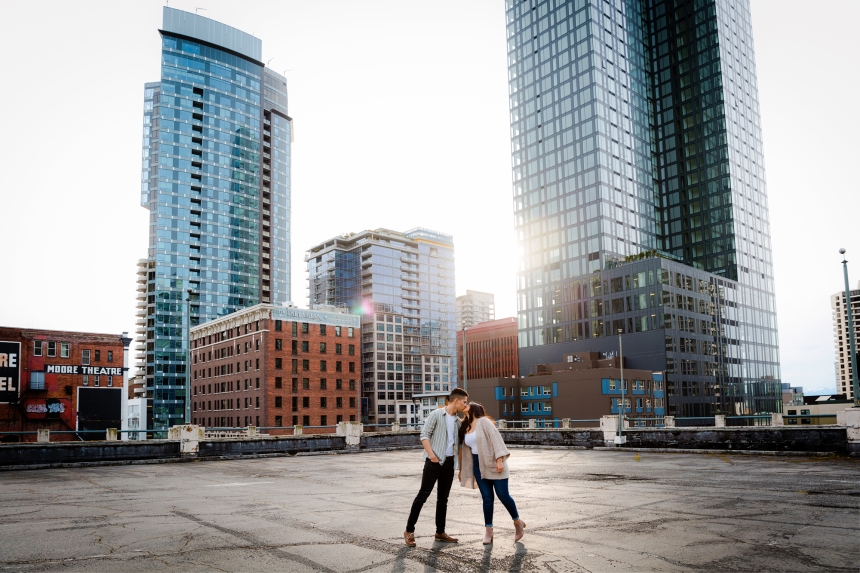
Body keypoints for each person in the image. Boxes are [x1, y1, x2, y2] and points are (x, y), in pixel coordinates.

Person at [404, 388, 470, 547]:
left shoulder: (457, 421)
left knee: (443, 499)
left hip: (449, 464)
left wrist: (460, 468)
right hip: (433, 462)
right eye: (464, 402)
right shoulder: (436, 415)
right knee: (423, 495)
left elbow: (460, 445)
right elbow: (424, 435)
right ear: (456, 401)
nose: (465, 405)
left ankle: (440, 532)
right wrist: (432, 456)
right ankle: (409, 530)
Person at [457, 402, 525, 545]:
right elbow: (464, 450)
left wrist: (499, 461)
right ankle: (489, 530)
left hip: (493, 463)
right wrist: (462, 469)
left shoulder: (484, 422)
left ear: (475, 408)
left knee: (503, 496)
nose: (465, 405)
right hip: (477, 465)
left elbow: (496, 441)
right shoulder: (465, 425)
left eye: (468, 404)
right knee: (487, 498)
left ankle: (517, 522)